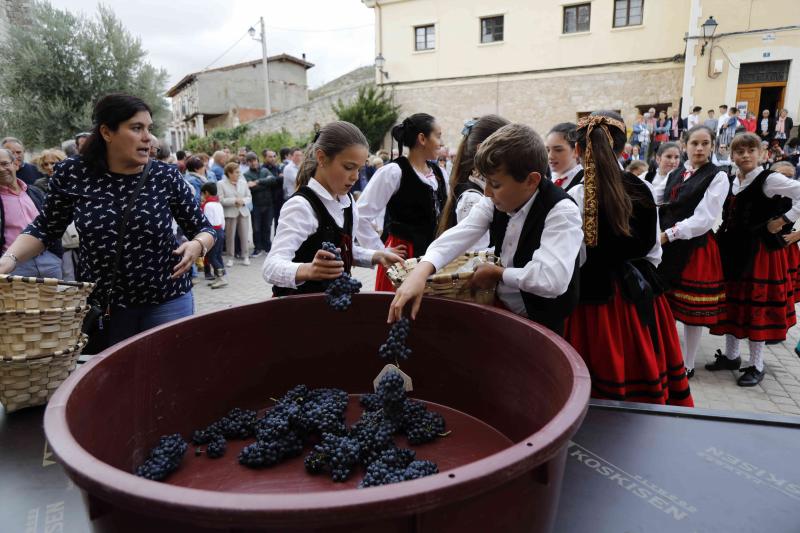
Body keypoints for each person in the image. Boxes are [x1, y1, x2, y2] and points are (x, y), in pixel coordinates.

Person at [0, 93, 215, 348]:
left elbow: (203, 228)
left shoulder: (165, 175)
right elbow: (45, 228)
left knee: (167, 378)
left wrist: (197, 245)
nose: (148, 137)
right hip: (107, 307)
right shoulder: (73, 173)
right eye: (136, 128)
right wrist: (8, 260)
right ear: (107, 132)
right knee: (116, 382)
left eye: (149, 128)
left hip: (167, 301)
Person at [388, 123, 583, 337]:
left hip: (542, 323)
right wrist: (421, 271)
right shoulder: (494, 201)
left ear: (531, 180)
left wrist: (499, 273)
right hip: (503, 311)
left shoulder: (561, 211)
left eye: (496, 184)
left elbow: (551, 279)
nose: (487, 193)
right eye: (486, 183)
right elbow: (459, 235)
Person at [564, 112, 692, 405]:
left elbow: (577, 258)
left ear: (579, 151)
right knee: (641, 369)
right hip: (638, 296)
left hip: (594, 304)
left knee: (593, 380)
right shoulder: (642, 187)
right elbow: (652, 252)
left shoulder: (575, 196)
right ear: (622, 149)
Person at [263, 121, 402, 295]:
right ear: (321, 158)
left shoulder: (348, 202)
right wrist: (308, 270)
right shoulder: (301, 206)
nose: (355, 177)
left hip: (335, 306)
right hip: (300, 309)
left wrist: (377, 256)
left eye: (359, 169)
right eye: (348, 167)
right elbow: (271, 267)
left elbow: (345, 250)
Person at [710, 133, 800, 385]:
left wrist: (783, 220)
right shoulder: (732, 180)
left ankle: (756, 364)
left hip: (758, 253)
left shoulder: (770, 179)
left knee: (755, 306)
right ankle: (731, 356)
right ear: (732, 155)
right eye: (740, 151)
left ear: (762, 154)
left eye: (751, 150)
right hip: (732, 249)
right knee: (734, 302)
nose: (746, 155)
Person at [656, 125, 727, 378]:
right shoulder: (676, 173)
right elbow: (657, 198)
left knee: (690, 311)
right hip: (668, 245)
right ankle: (668, 355)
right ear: (684, 145)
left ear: (712, 146)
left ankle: (687, 364)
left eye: (705, 143)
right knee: (666, 302)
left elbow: (704, 218)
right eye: (694, 143)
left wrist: (668, 235)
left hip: (694, 246)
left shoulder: (717, 176)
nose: (699, 148)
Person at [357, 113, 446, 291]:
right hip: (404, 257)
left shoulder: (439, 172)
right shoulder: (393, 172)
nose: (441, 143)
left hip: (435, 257)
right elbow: (360, 215)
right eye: (438, 135)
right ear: (422, 138)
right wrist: (379, 251)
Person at [436, 115, 510, 250]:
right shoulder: (472, 198)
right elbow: (475, 256)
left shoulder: (479, 188)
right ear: (483, 150)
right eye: (507, 149)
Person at [0, 148, 63, 278]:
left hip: (48, 260)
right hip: (14, 265)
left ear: (15, 164)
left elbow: (51, 222)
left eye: (4, 164)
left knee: (55, 298)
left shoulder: (35, 192)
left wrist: (56, 255)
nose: (1, 169)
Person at [218, 161, 252, 267]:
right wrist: (234, 200)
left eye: (239, 172)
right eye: (236, 172)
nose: (239, 174)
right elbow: (220, 199)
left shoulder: (243, 182)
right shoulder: (221, 184)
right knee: (230, 237)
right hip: (230, 213)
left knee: (244, 235)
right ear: (229, 173)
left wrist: (243, 201)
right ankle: (230, 258)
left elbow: (249, 197)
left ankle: (245, 256)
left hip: (243, 212)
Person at [244, 151, 278, 257]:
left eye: (254, 160)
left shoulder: (265, 170)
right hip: (256, 205)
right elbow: (250, 188)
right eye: (250, 161)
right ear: (248, 163)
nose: (253, 163)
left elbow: (273, 181)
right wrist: (265, 183)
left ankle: (267, 247)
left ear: (257, 160)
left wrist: (257, 182)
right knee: (257, 228)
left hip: (268, 204)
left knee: (267, 226)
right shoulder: (246, 174)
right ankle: (257, 248)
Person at [200, 182, 227, 289]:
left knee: (211, 256)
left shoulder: (208, 205)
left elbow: (207, 221)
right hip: (220, 230)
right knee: (218, 255)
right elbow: (222, 220)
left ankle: (221, 278)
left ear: (206, 193)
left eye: (203, 194)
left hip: (212, 232)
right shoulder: (218, 203)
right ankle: (218, 277)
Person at [546, 122, 583, 192]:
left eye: (558, 150)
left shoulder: (583, 183)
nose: (550, 156)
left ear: (576, 151)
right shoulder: (547, 179)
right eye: (547, 150)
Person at [262, 148, 284, 228]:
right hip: (267, 201)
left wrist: (275, 179)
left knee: (279, 224)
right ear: (265, 158)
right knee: (267, 225)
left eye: (274, 156)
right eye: (270, 157)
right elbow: (270, 181)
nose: (273, 158)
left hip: (278, 199)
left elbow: (281, 180)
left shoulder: (277, 167)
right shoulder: (262, 169)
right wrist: (277, 178)